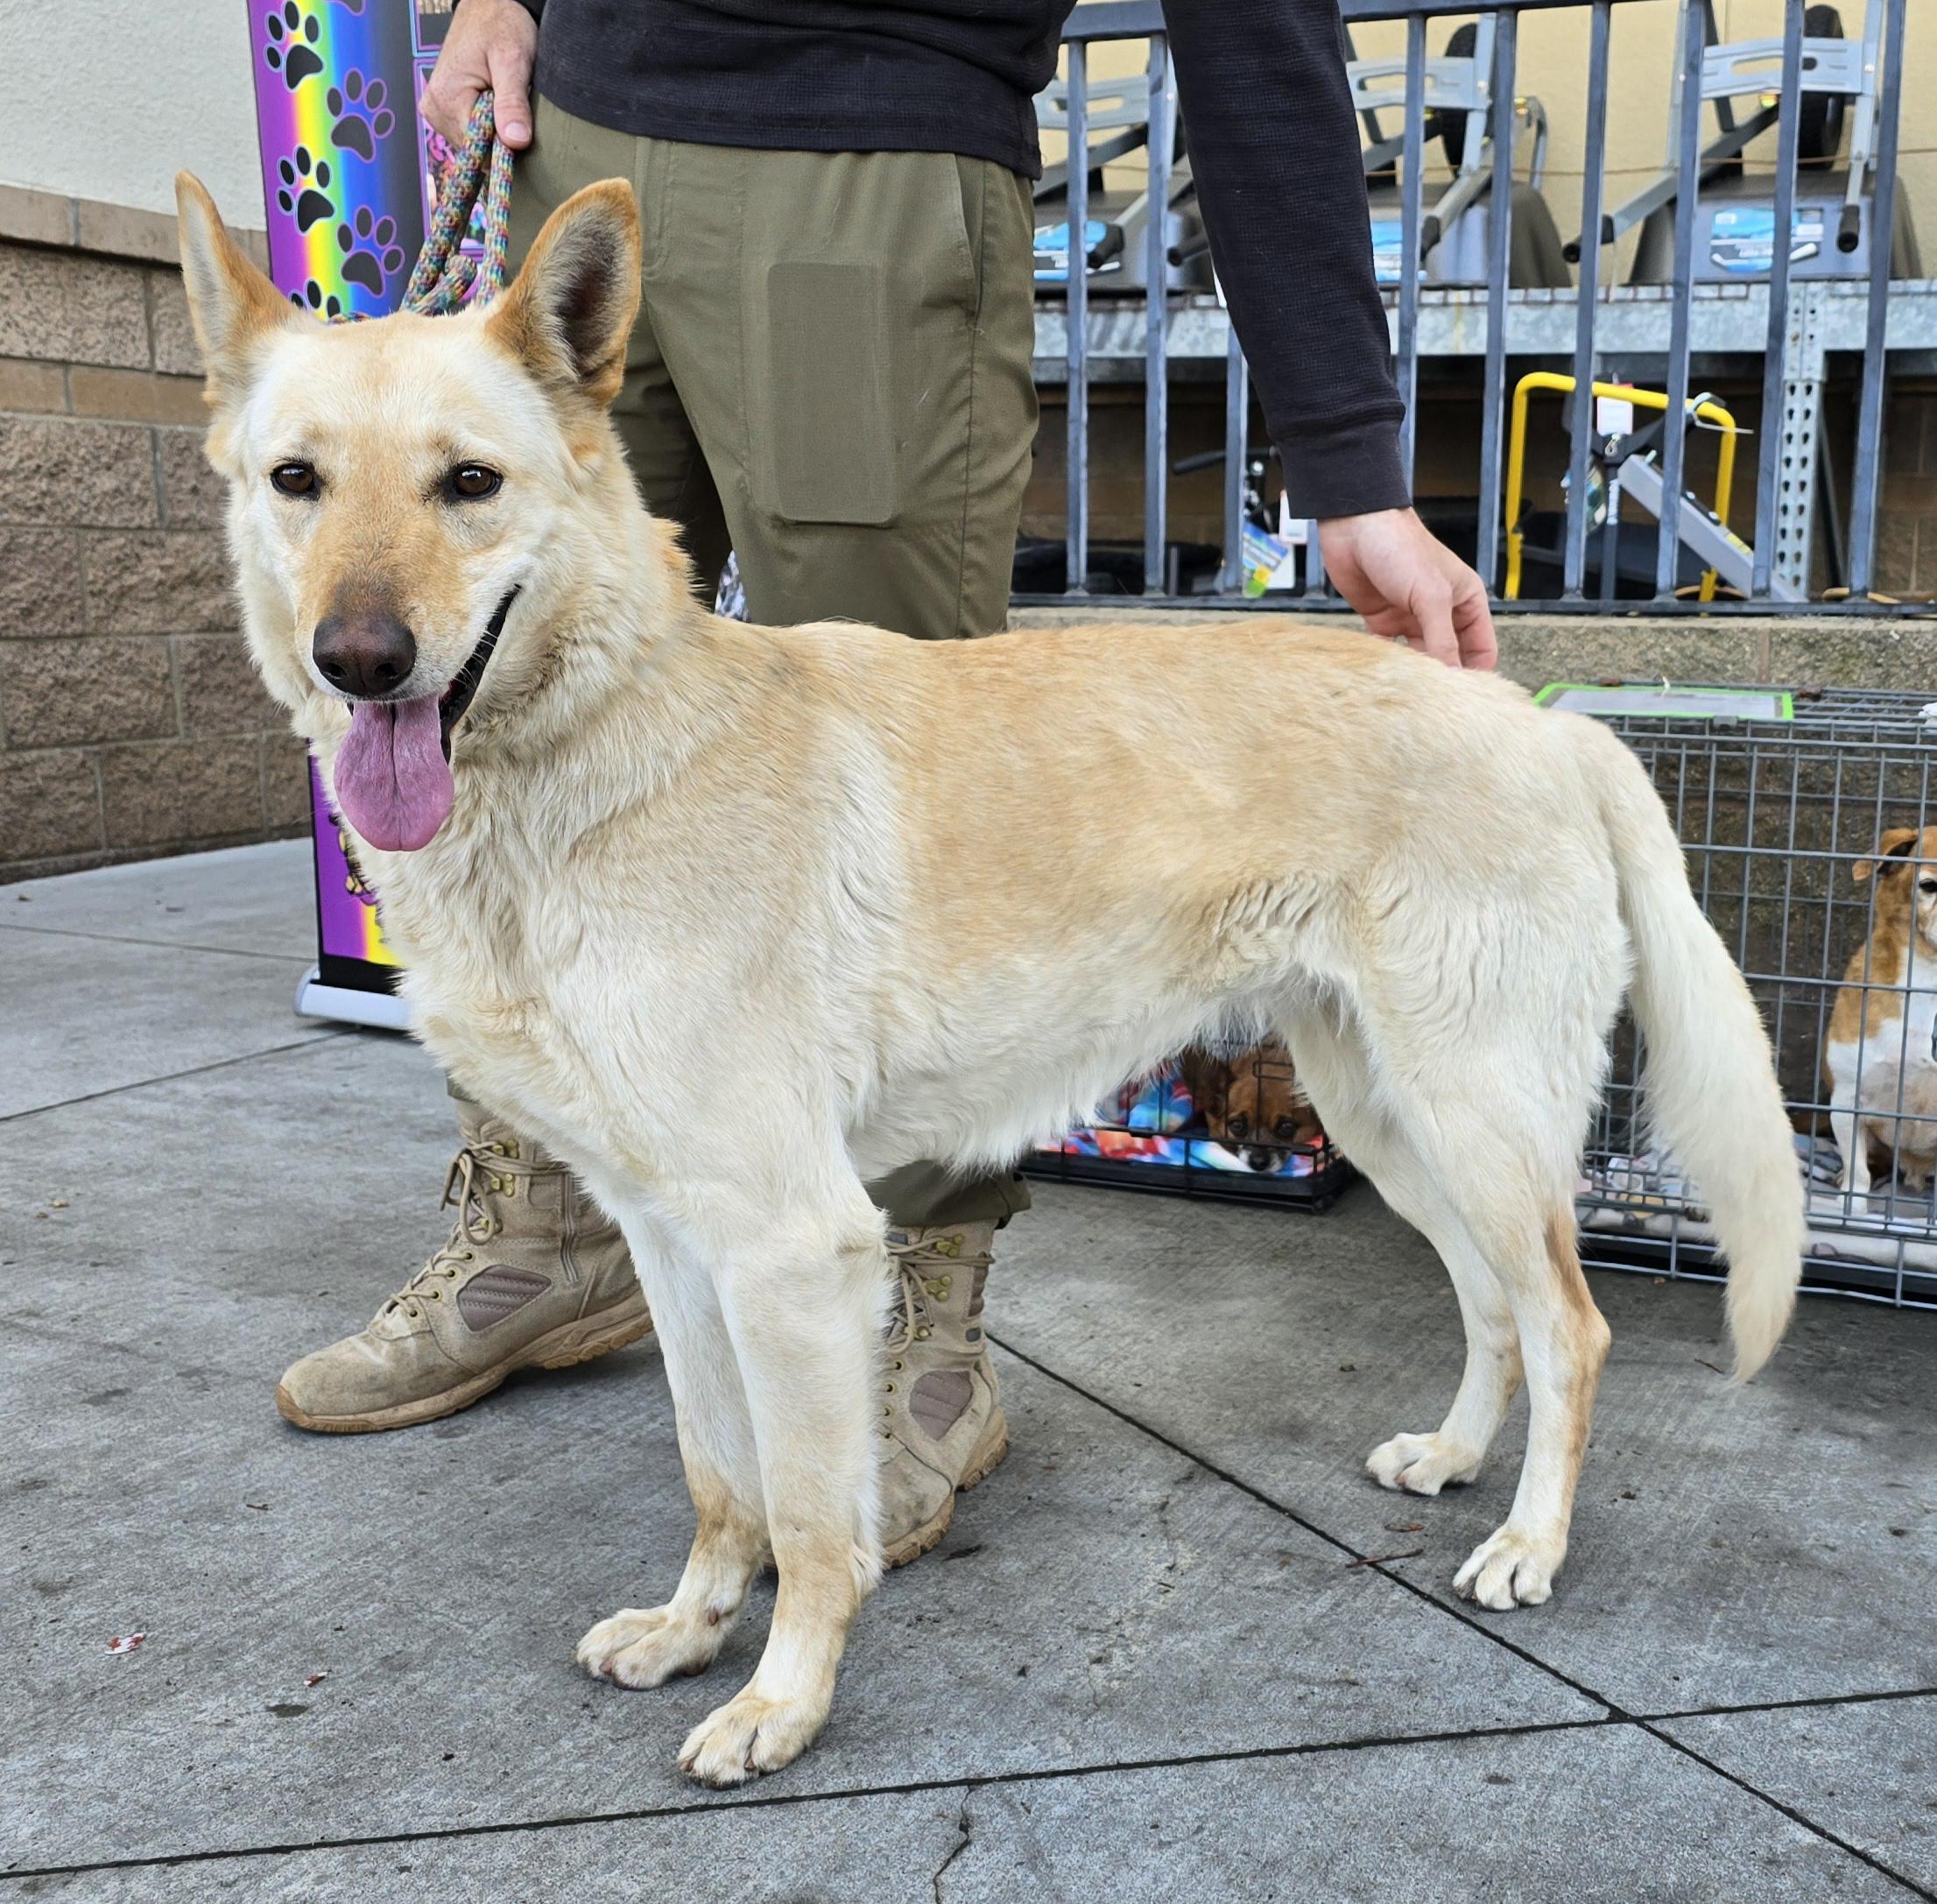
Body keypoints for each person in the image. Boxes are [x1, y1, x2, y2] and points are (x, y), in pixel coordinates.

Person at [276, 0, 1498, 1563]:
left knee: (912, 812)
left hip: (861, 135)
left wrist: (1348, 456)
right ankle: (551, 1220)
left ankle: (920, 1296)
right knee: (502, 738)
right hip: (570, 117)